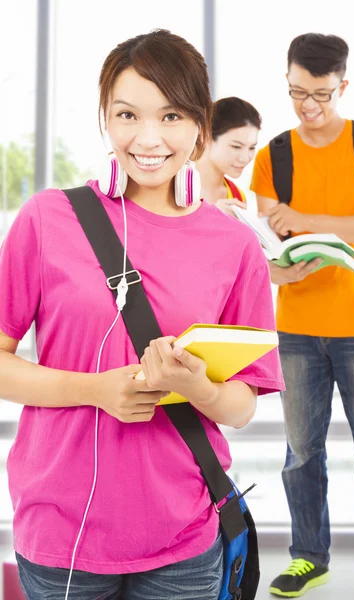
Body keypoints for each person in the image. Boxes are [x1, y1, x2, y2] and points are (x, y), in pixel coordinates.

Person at [0, 29, 284, 600]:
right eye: (128, 115)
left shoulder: (234, 246)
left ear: (201, 128)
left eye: (172, 116)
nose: (148, 138)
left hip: (185, 532)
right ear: (105, 119)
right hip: (63, 533)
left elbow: (243, 406)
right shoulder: (47, 219)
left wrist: (198, 386)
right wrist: (97, 390)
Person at [250, 33, 354, 600]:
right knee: (301, 454)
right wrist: (280, 262)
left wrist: (307, 218)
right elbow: (266, 237)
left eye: (320, 94)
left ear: (342, 85)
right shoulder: (275, 155)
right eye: (297, 93)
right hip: (296, 328)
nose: (308, 107)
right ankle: (307, 558)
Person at [196, 96, 261, 216]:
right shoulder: (175, 186)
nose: (245, 158)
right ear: (206, 137)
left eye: (251, 148)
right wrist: (211, 215)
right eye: (236, 147)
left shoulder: (237, 197)